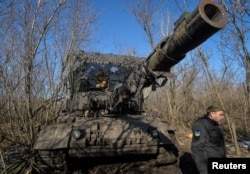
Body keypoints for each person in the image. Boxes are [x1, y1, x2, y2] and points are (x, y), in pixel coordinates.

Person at [191, 105, 226, 174]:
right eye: (221, 115)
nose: (222, 117)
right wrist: (203, 169)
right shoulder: (200, 125)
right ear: (212, 114)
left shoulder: (214, 125)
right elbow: (196, 147)